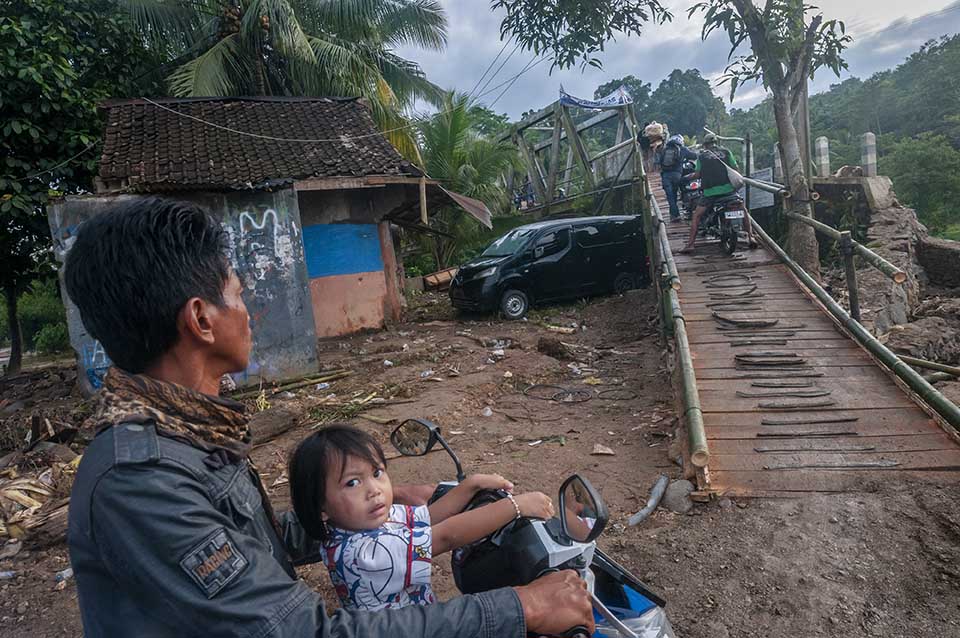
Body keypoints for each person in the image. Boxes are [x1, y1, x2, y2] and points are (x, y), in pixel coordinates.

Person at [64, 197, 594, 637]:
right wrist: (520, 607)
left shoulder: (189, 432)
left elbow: (250, 547)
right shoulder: (142, 479)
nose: (250, 312)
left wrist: (361, 505)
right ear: (201, 320)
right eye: (238, 296)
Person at [288, 425, 555, 611]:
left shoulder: (358, 523)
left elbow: (428, 517)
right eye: (352, 482)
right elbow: (446, 535)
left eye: (377, 473)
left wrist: (470, 485)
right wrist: (516, 506)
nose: (373, 490)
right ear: (320, 506)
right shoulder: (366, 552)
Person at [680, 133, 758, 253]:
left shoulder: (702, 156)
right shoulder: (726, 152)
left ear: (705, 145)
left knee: (696, 216)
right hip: (729, 191)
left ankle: (690, 244)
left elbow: (697, 174)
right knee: (744, 210)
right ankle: (751, 237)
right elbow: (735, 168)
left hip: (710, 193)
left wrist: (686, 177)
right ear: (716, 142)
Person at [656, 134, 697, 222]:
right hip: (677, 175)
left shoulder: (665, 149)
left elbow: (658, 162)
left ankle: (675, 215)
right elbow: (694, 156)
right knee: (676, 193)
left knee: (671, 196)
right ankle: (676, 214)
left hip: (666, 176)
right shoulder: (683, 149)